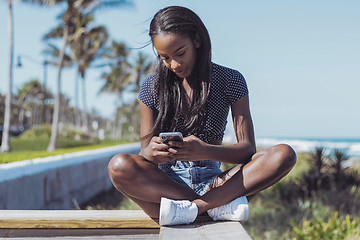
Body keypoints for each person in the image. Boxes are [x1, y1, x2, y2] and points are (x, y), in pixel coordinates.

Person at [108, 6, 297, 226]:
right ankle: (215, 207)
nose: (174, 64)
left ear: (197, 40)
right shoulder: (151, 86)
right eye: (165, 58)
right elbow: (144, 155)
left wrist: (204, 150)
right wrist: (152, 152)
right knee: (118, 165)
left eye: (180, 53)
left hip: (217, 184)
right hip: (167, 187)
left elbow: (247, 150)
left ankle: (195, 208)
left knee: (284, 154)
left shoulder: (230, 80)